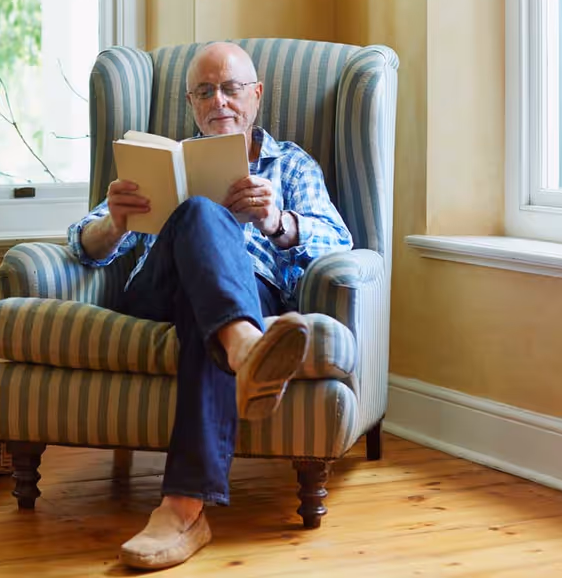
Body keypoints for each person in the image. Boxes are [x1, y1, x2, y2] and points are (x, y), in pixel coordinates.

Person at [68, 41, 353, 570]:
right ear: (192, 103)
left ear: (257, 95)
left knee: (210, 319)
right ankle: (248, 348)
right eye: (205, 91)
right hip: (156, 292)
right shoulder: (163, 163)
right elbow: (81, 243)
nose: (218, 100)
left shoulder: (290, 164)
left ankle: (183, 510)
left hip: (252, 291)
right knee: (198, 212)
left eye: (230, 88)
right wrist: (115, 222)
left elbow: (340, 241)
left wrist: (279, 223)